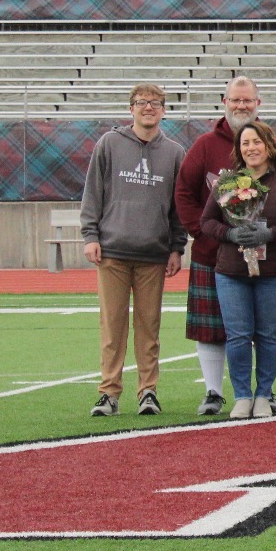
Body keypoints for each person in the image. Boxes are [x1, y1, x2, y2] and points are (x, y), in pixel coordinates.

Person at [81, 84, 186, 417]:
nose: (148, 108)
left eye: (155, 103)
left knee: (148, 326)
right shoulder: (109, 144)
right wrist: (90, 235)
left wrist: (176, 246)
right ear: (131, 109)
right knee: (112, 326)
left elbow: (178, 207)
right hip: (112, 250)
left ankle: (148, 392)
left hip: (153, 254)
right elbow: (93, 192)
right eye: (142, 103)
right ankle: (109, 393)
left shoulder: (174, 152)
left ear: (164, 111)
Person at [198, 120, 276, 419]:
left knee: (268, 336)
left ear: (269, 146)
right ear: (239, 149)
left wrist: (270, 234)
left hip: (274, 271)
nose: (251, 148)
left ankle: (263, 394)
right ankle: (242, 396)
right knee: (237, 335)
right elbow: (206, 222)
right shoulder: (227, 182)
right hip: (231, 271)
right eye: (245, 143)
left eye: (256, 142)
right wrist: (230, 234)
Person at [176, 75, 261, 415]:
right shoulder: (205, 145)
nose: (241, 106)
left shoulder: (267, 143)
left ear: (258, 103)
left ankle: (263, 392)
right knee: (211, 327)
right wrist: (203, 231)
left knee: (263, 328)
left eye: (247, 100)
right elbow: (183, 191)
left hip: (260, 254)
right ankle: (213, 392)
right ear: (224, 102)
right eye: (235, 100)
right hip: (213, 252)